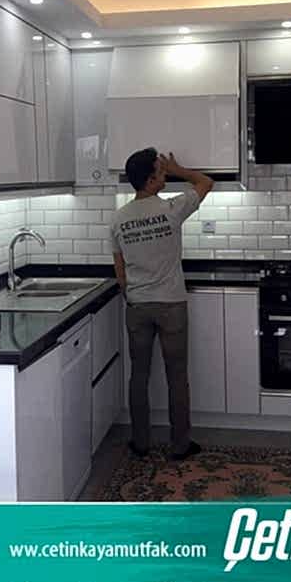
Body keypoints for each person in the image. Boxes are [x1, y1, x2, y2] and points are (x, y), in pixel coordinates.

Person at [110, 148, 214, 460]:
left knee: (139, 375)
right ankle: (180, 445)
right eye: (161, 170)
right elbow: (206, 182)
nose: (165, 173)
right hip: (171, 305)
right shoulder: (172, 208)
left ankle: (140, 443)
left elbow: (120, 273)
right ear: (151, 180)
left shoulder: (118, 219)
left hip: (138, 306)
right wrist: (180, 169)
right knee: (177, 376)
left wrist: (134, 295)